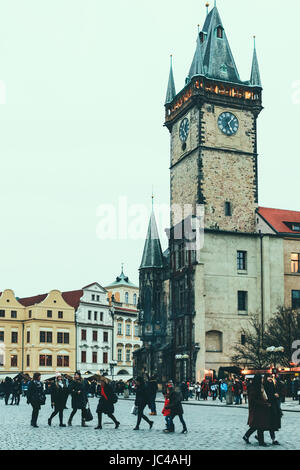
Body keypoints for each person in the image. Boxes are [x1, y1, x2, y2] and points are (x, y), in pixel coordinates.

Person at [243, 374, 271, 447]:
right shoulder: (254, 388)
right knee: (259, 425)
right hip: (257, 409)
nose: (262, 380)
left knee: (257, 425)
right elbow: (254, 400)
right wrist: (264, 404)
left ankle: (247, 436)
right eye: (261, 379)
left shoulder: (257, 386)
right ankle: (261, 442)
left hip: (259, 409)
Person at [262, 374, 281, 445]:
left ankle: (273, 438)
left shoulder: (272, 384)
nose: (270, 378)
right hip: (268, 406)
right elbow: (266, 395)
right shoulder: (265, 385)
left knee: (271, 423)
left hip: (273, 406)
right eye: (269, 377)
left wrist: (276, 395)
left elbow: (273, 392)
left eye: (271, 377)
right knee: (267, 423)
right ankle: (260, 435)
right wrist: (274, 395)